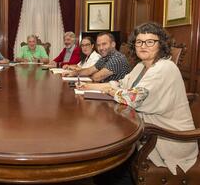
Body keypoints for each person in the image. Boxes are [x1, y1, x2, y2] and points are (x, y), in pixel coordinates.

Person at [77, 22, 198, 185]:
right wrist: (90, 86)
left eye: (150, 41)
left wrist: (108, 90)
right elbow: (121, 84)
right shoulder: (142, 66)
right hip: (143, 130)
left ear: (161, 44)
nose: (143, 46)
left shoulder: (164, 68)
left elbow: (132, 98)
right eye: (139, 41)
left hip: (166, 139)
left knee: (111, 163)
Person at [63, 32, 130, 82]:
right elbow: (89, 70)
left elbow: (97, 77)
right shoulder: (104, 57)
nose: (101, 48)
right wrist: (73, 73)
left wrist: (89, 73)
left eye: (104, 44)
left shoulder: (117, 58)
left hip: (116, 97)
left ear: (113, 44)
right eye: (98, 45)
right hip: (105, 91)